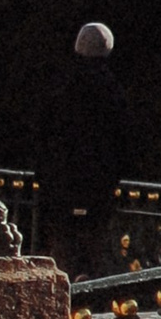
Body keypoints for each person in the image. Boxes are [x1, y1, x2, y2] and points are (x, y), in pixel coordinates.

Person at [39, 20, 140, 277]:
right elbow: (125, 138)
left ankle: (62, 297)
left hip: (61, 180)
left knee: (63, 247)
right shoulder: (113, 90)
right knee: (96, 246)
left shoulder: (61, 85)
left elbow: (43, 132)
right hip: (99, 182)